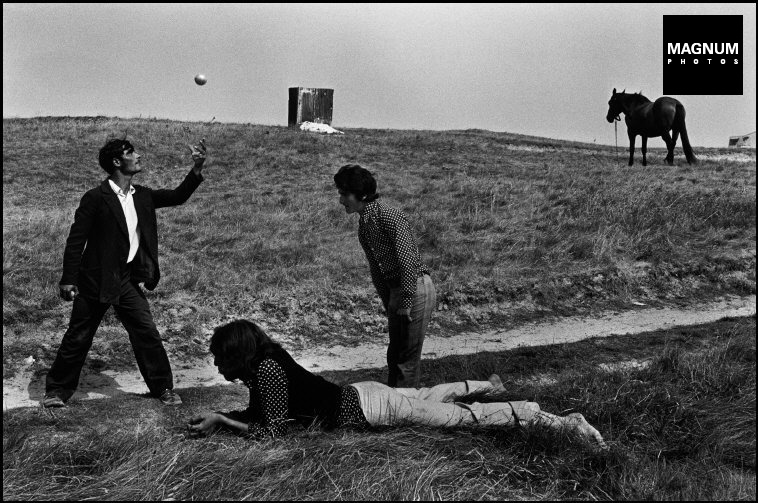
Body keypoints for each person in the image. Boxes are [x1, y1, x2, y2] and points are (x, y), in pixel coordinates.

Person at [187, 320, 608, 450]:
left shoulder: (268, 373)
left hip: (372, 409)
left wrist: (223, 420)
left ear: (239, 354)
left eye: (221, 358)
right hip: (363, 393)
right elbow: (266, 413)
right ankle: (487, 383)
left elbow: (271, 430)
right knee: (426, 396)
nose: (218, 365)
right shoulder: (269, 363)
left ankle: (557, 420)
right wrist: (225, 417)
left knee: (463, 421)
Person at [42, 136, 209, 408]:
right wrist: (68, 279)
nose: (139, 155)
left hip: (126, 281)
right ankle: (56, 392)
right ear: (117, 162)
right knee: (79, 337)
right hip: (94, 281)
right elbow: (76, 240)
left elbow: (178, 196)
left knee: (147, 333)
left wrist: (197, 168)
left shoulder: (141, 196)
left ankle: (163, 388)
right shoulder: (96, 198)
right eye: (132, 152)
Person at [333, 164, 436, 388]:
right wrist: (388, 300)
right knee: (394, 357)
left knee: (406, 361)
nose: (341, 200)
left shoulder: (390, 216)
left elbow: (407, 259)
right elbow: (376, 269)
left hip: (415, 288)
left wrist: (406, 299)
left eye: (344, 194)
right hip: (397, 291)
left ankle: (407, 415)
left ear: (361, 194)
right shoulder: (364, 226)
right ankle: (395, 409)